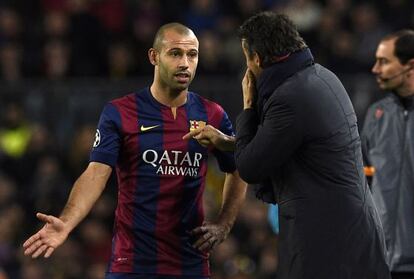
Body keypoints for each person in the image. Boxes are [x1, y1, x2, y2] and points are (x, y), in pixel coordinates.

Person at [22, 22, 247, 279]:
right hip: (132, 263)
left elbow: (238, 167)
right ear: (154, 56)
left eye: (192, 54)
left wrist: (224, 224)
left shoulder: (212, 114)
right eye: (175, 53)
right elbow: (96, 173)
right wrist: (67, 223)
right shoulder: (120, 112)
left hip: (190, 263)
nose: (185, 63)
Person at [185, 11, 391, 279]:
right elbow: (278, 144)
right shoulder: (320, 77)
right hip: (353, 239)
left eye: (247, 58)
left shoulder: (290, 98)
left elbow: (249, 167)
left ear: (257, 59)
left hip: (327, 248)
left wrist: (248, 107)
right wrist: (225, 143)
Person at [362, 29, 414, 279]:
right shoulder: (375, 115)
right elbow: (364, 178)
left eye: (384, 61)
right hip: (381, 261)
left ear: (409, 66)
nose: (375, 69)